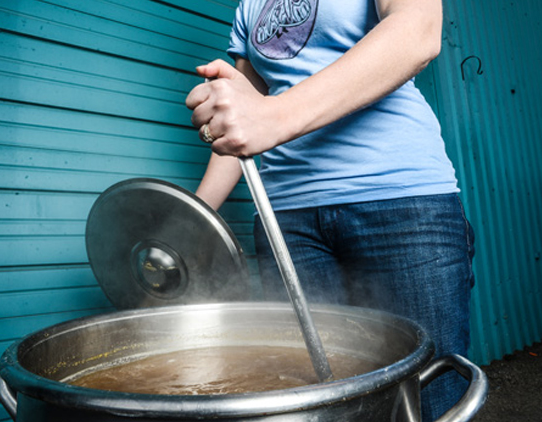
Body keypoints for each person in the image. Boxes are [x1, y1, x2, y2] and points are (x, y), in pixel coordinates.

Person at [186, 0, 475, 420]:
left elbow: (418, 31)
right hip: (286, 221)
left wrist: (274, 115)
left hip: (400, 204)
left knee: (426, 395)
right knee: (321, 398)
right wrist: (194, 216)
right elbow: (244, 122)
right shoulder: (250, 6)